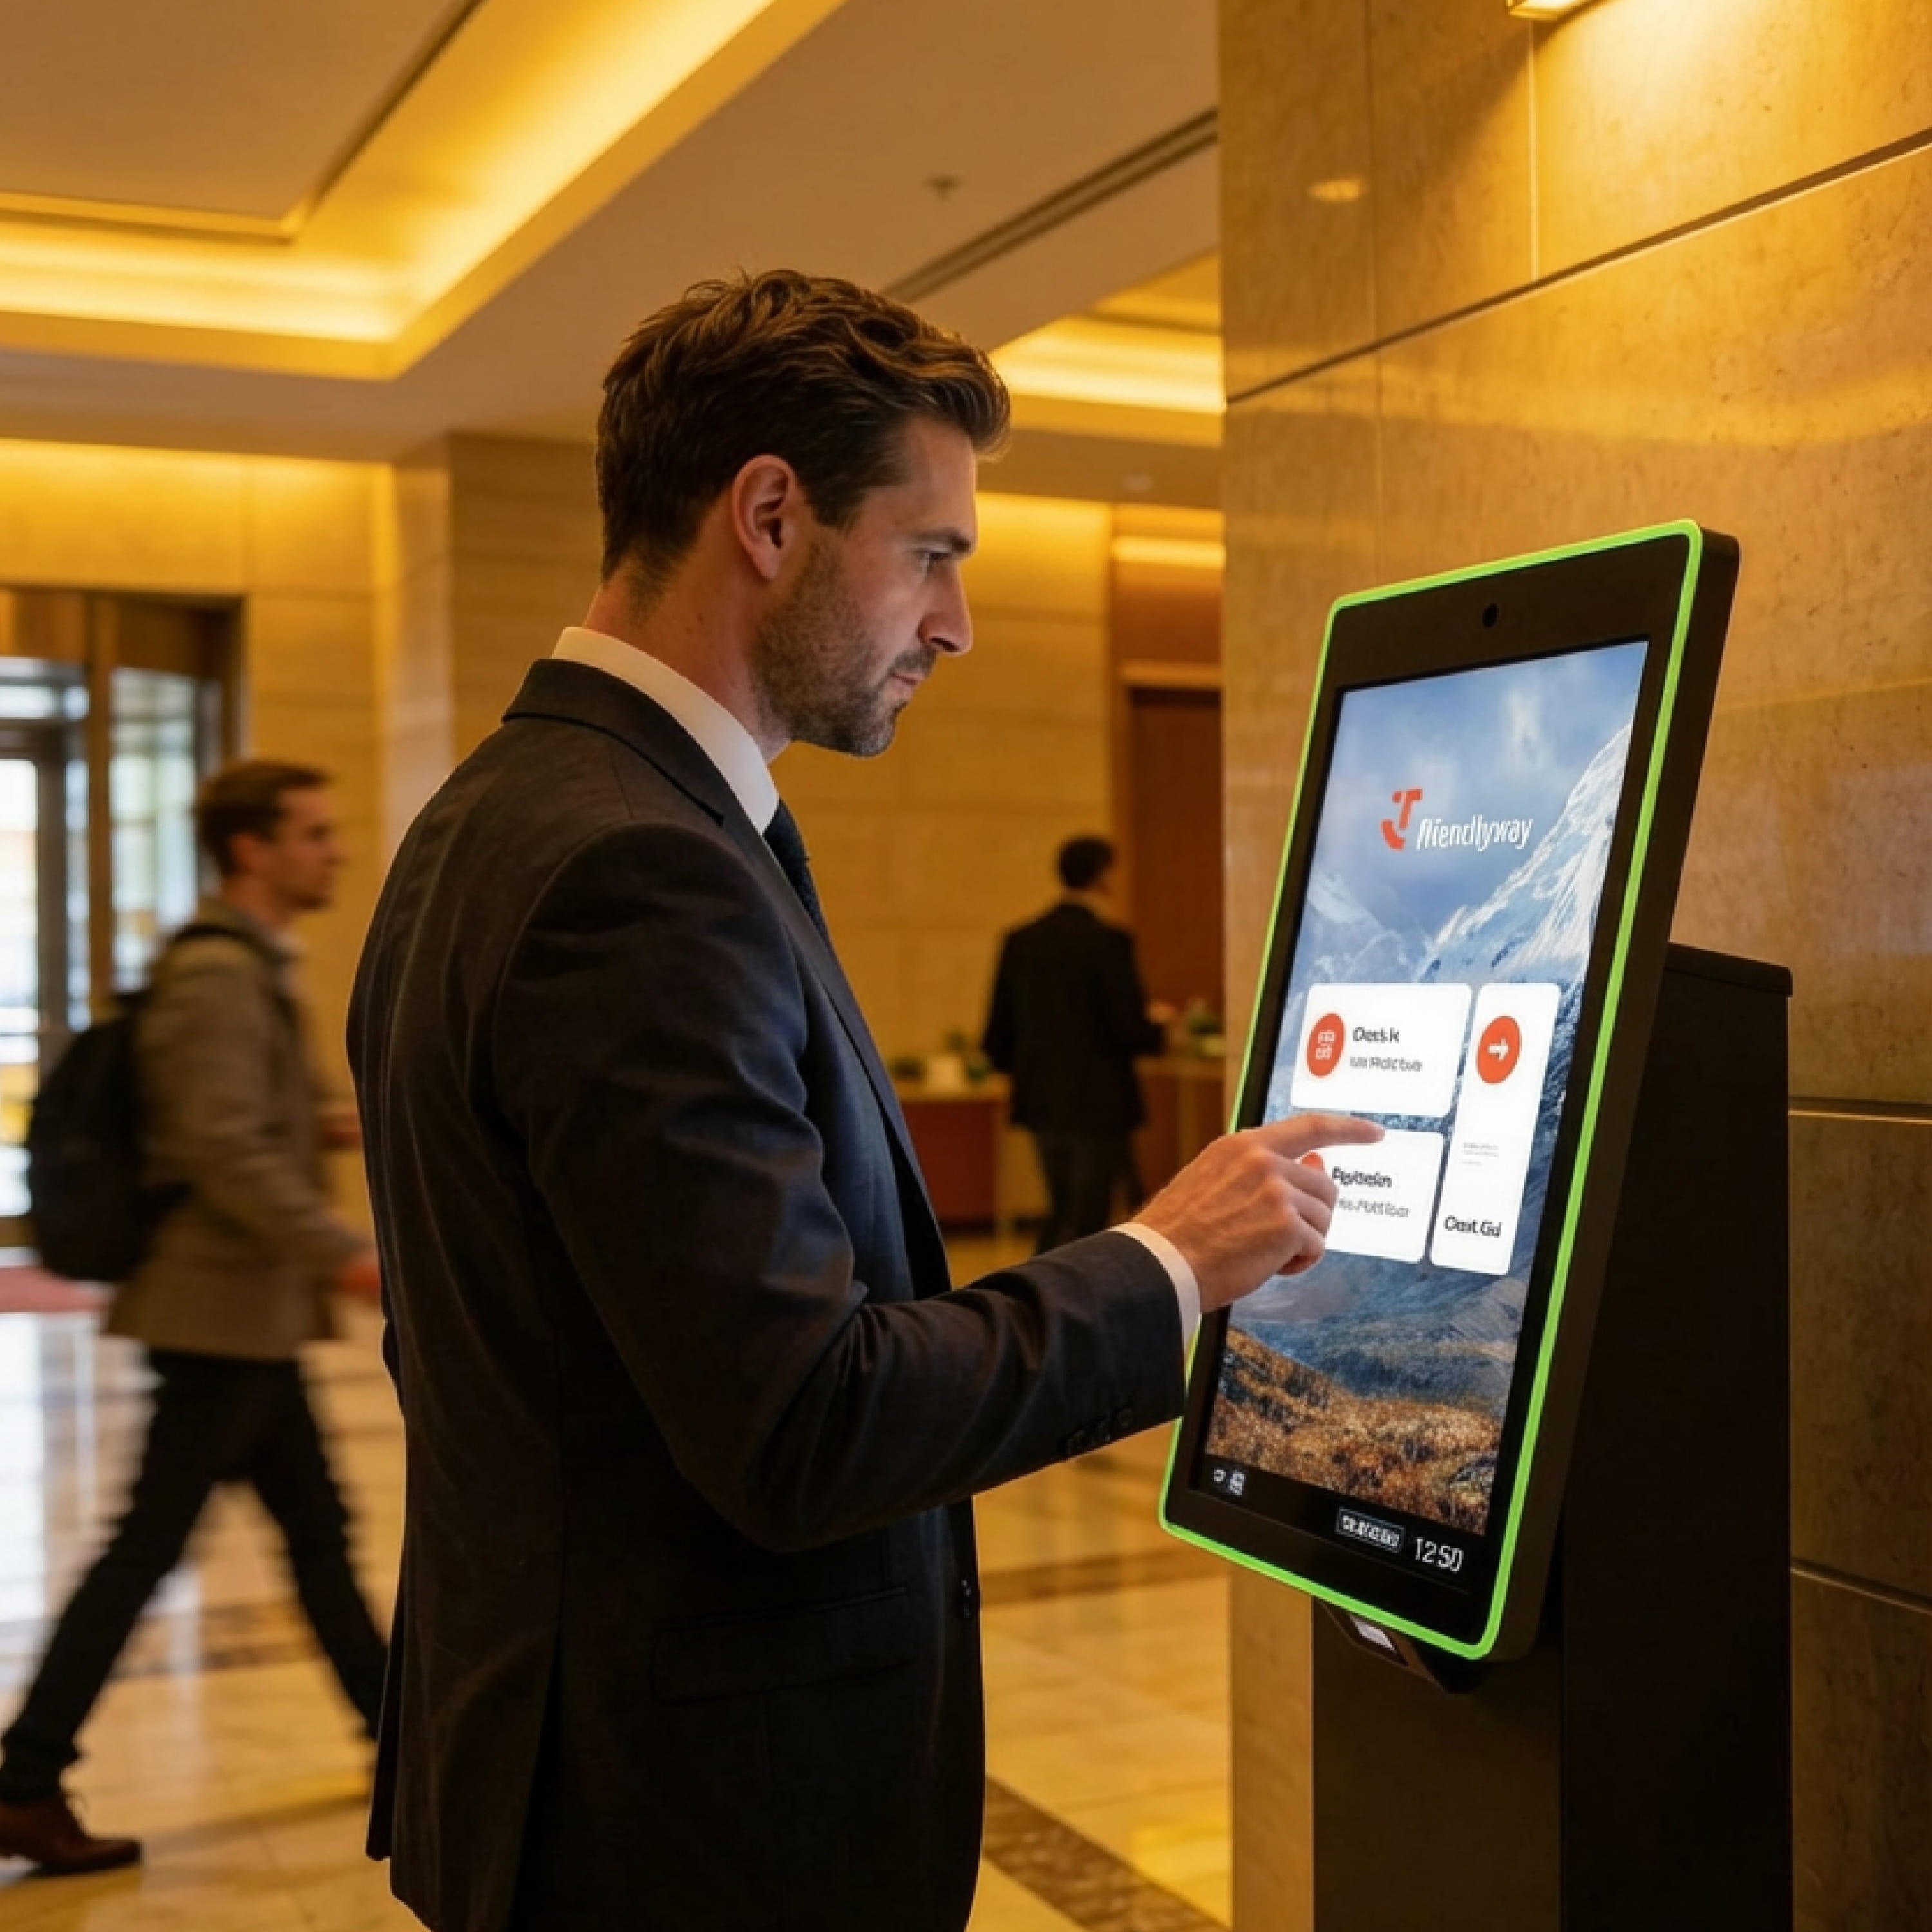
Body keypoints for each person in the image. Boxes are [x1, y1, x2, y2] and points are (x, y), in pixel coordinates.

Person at [348, 269, 1378, 1932]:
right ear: (769, 515)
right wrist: (1170, 1265)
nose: (958, 625)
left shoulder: (508, 812)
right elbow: (804, 1424)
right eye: (936, 554)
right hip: (686, 1832)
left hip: (577, 1767)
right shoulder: (637, 868)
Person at [0, 761, 388, 1876]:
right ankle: (23, 1779)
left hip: (247, 1316)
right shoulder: (218, 975)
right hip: (219, 1314)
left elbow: (253, 1119)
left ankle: (401, 1740)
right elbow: (216, 1145)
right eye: (313, 834)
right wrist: (345, 1256)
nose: (335, 852)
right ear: (253, 850)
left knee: (316, 1538)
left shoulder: (250, 967)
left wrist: (344, 1127)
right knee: (149, 1549)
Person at [983, 835, 1172, 1251]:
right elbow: (1130, 1029)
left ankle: (1038, 1300)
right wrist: (1160, 1026)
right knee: (1088, 1214)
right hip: (1099, 1102)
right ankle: (1063, 1305)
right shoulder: (1109, 942)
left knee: (1061, 1206)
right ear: (1103, 874)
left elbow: (997, 1034)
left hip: (1040, 1099)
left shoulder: (1021, 941)